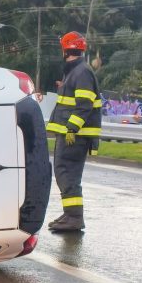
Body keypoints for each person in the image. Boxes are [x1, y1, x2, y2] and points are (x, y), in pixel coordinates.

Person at [46, 31, 101, 232]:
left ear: (64, 49)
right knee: (65, 173)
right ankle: (70, 214)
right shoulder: (75, 71)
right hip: (73, 134)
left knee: (66, 173)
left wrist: (72, 128)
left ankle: (74, 217)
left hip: (75, 135)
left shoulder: (81, 72)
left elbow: (84, 105)